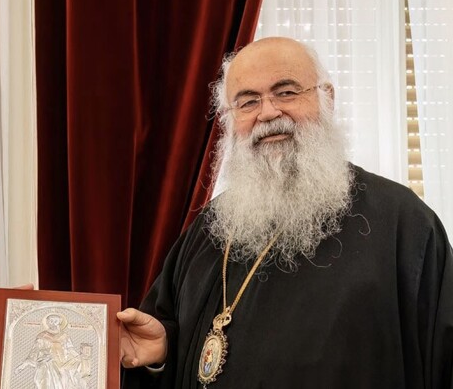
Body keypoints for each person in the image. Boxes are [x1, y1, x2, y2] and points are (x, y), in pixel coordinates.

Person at [117, 37, 453, 388]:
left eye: (287, 93)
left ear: (327, 99)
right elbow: (176, 344)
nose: (268, 113)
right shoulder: (210, 228)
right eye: (247, 102)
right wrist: (163, 353)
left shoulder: (403, 225)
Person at [15, 313, 89, 389]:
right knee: (43, 379)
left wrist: (78, 356)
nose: (53, 323)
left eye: (55, 321)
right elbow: (35, 350)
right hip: (46, 361)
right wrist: (26, 362)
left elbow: (70, 349)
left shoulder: (64, 336)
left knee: (61, 379)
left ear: (59, 322)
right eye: (51, 321)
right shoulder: (42, 335)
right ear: (47, 322)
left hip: (61, 362)